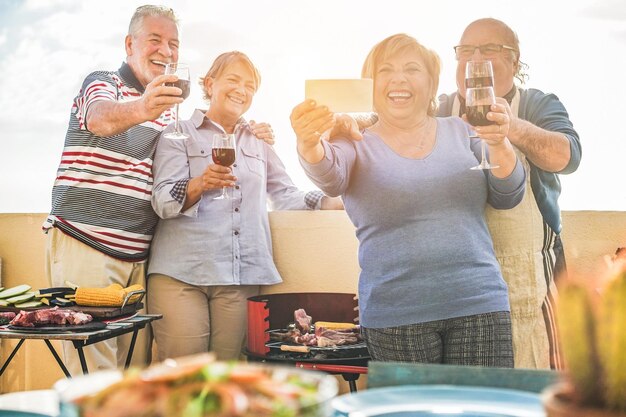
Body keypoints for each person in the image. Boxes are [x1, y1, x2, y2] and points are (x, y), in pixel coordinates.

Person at [42, 5, 274, 374]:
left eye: (173, 44)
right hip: (86, 242)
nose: (166, 51)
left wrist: (253, 129)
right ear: (130, 44)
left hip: (139, 256)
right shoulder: (103, 82)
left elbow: (191, 152)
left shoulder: (171, 113)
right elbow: (100, 118)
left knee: (134, 372)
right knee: (94, 371)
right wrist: (143, 107)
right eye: (155, 40)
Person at [291, 33, 525, 366]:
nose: (399, 78)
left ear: (431, 85)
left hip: (479, 305)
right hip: (395, 316)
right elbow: (329, 177)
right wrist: (308, 143)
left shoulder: (463, 130)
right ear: (370, 85)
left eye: (412, 69)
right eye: (386, 70)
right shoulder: (354, 140)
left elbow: (508, 194)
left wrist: (500, 144)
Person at [147, 51, 343, 361]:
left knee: (228, 375)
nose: (242, 90)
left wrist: (330, 201)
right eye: (234, 80)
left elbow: (284, 194)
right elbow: (162, 201)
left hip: (239, 279)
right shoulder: (178, 134)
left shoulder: (258, 140)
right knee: (185, 377)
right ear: (210, 84)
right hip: (181, 275)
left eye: (250, 85)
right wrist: (201, 183)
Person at [437, 18, 581, 370]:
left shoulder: (538, 104)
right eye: (465, 50)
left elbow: (568, 157)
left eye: (488, 50)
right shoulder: (439, 109)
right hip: (463, 278)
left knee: (538, 380)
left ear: (514, 62)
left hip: (532, 277)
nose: (474, 58)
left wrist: (510, 126)